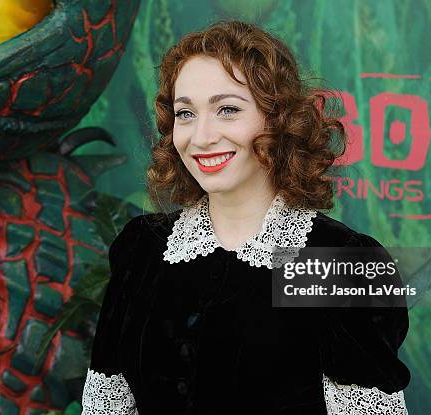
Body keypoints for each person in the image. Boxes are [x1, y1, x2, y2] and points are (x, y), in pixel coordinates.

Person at [81, 20, 410, 415]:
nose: (201, 136)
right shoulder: (142, 250)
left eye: (227, 109)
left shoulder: (336, 263)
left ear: (278, 119)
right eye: (185, 114)